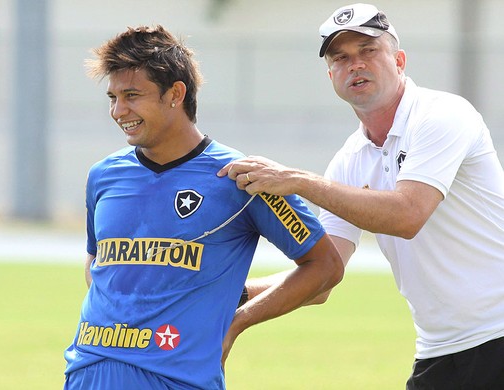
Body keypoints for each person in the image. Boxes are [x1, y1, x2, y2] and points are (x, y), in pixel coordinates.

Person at [218, 3, 504, 389]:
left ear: (399, 59)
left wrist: (299, 181)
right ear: (331, 75)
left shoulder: (443, 114)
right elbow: (323, 274)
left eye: (369, 51)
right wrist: (235, 297)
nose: (355, 64)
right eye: (341, 57)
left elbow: (407, 215)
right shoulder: (349, 161)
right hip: (440, 351)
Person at [62, 25, 344, 389]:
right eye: (112, 98)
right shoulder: (103, 176)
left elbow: (325, 267)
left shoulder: (242, 177)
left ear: (175, 93)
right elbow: (97, 260)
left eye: (132, 95)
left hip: (179, 379)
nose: (119, 111)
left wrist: (238, 320)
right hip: (89, 371)